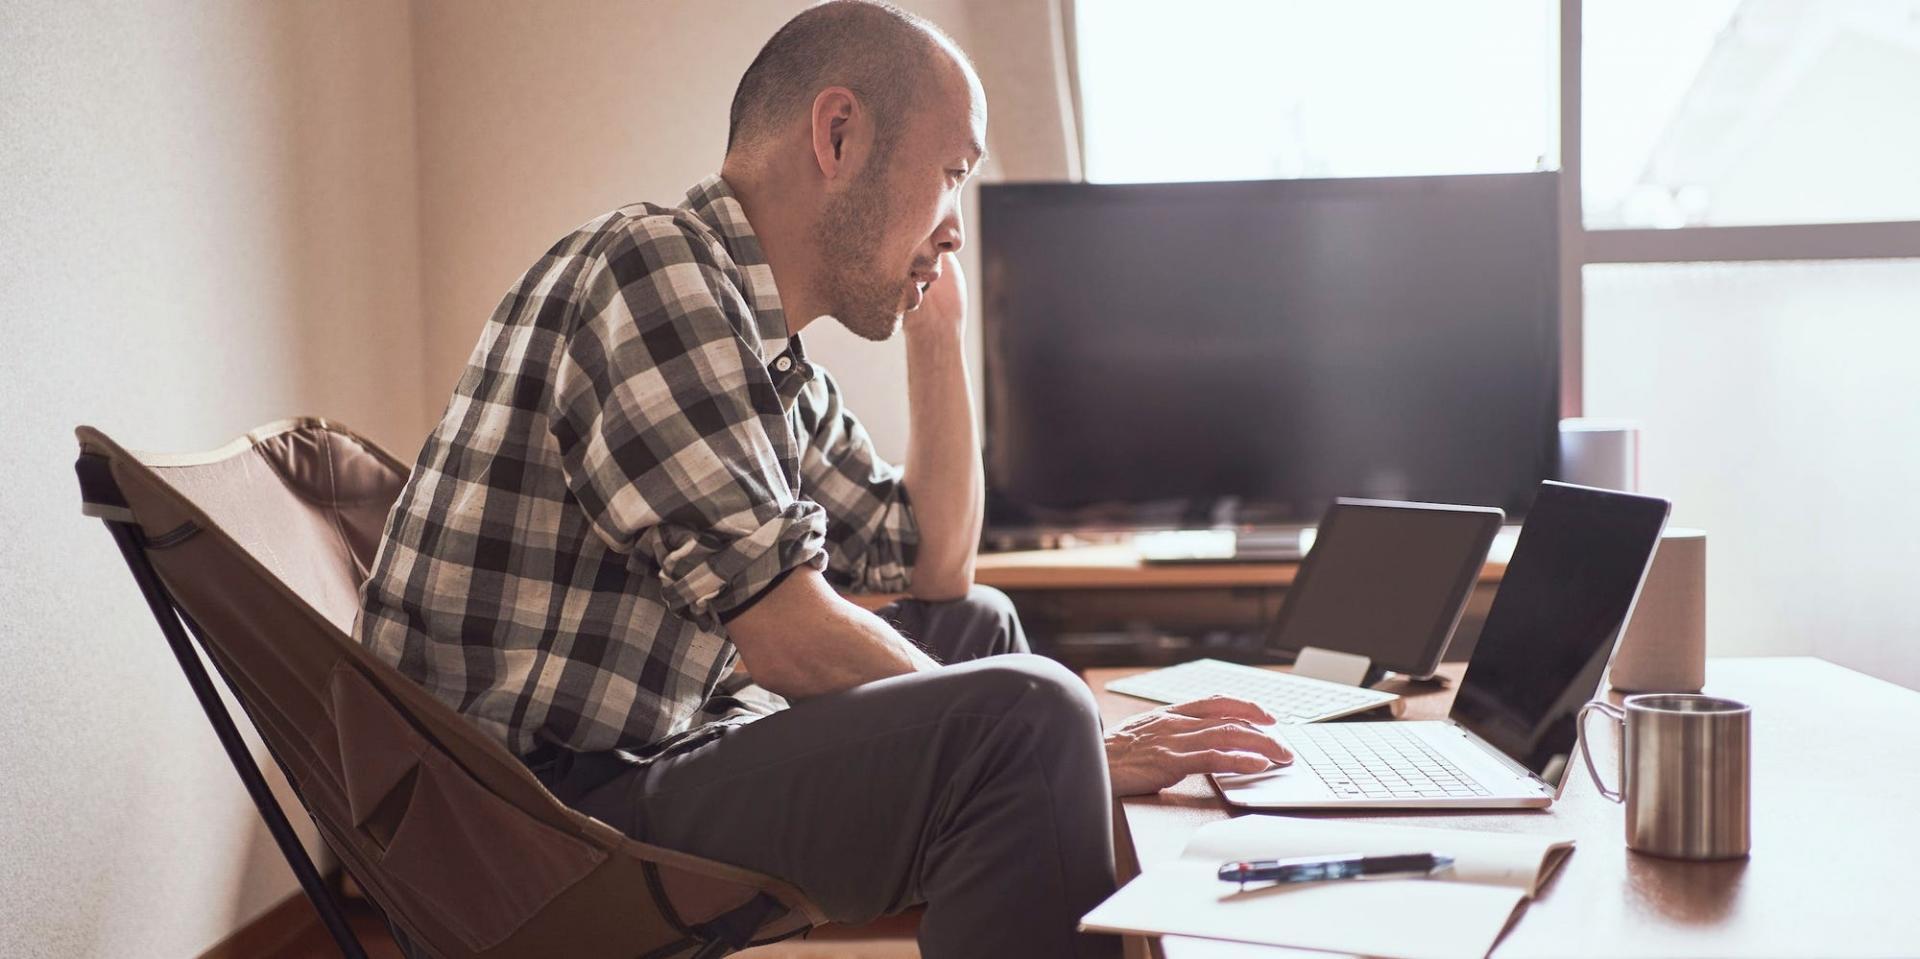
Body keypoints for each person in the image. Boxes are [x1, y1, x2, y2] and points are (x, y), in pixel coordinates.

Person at [354, 3, 1291, 955]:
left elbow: (935, 566)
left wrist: (938, 334)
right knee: (1032, 715)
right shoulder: (653, 270)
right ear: (838, 134)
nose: (957, 227)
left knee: (982, 630)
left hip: (632, 754)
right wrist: (1085, 745)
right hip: (528, 823)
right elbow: (786, 634)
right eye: (952, 174)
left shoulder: (771, 358)